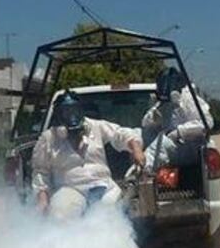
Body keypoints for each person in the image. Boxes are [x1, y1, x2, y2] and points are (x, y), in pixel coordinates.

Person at [32, 92, 146, 220]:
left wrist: (136, 149)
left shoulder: (95, 126)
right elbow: (41, 172)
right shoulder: (48, 138)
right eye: (66, 111)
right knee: (60, 215)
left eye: (74, 110)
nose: (71, 115)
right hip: (70, 189)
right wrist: (42, 200)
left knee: (111, 212)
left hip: (104, 185)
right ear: (59, 114)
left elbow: (120, 134)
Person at [142, 67, 213, 170]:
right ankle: (132, 168)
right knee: (138, 134)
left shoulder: (189, 100)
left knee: (162, 144)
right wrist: (153, 119)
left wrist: (179, 132)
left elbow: (207, 123)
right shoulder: (162, 101)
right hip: (168, 149)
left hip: (188, 148)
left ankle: (142, 171)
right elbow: (144, 124)